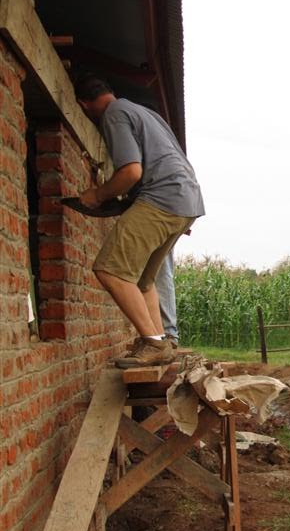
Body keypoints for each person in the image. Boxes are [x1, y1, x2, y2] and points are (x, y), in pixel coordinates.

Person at [74, 74, 205, 368]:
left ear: (84, 105)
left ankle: (153, 343)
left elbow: (131, 172)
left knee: (110, 270)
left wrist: (98, 194)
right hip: (187, 200)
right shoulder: (145, 113)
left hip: (162, 197)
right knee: (145, 280)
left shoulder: (113, 114)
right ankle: (161, 342)